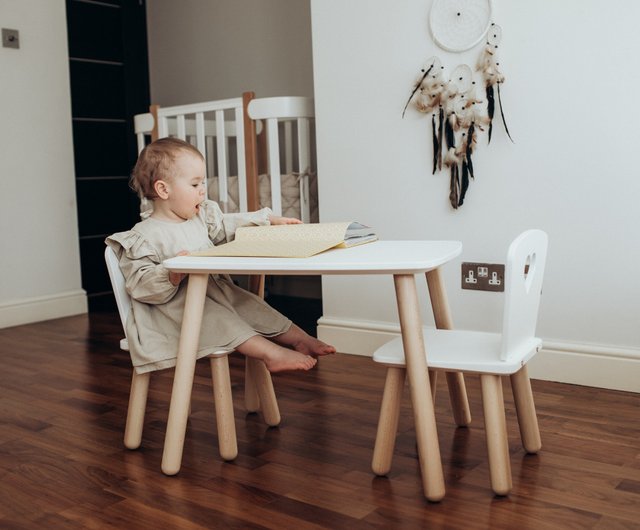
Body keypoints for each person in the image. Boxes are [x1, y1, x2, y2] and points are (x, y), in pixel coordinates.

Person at [106, 137, 335, 375]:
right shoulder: (142, 236)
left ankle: (300, 339)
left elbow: (231, 226)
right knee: (220, 318)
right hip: (176, 311)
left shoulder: (202, 218)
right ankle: (271, 354)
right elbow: (139, 284)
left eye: (202, 183)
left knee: (252, 305)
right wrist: (172, 273)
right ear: (164, 189)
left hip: (216, 292)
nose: (203, 190)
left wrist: (268, 221)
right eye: (195, 185)